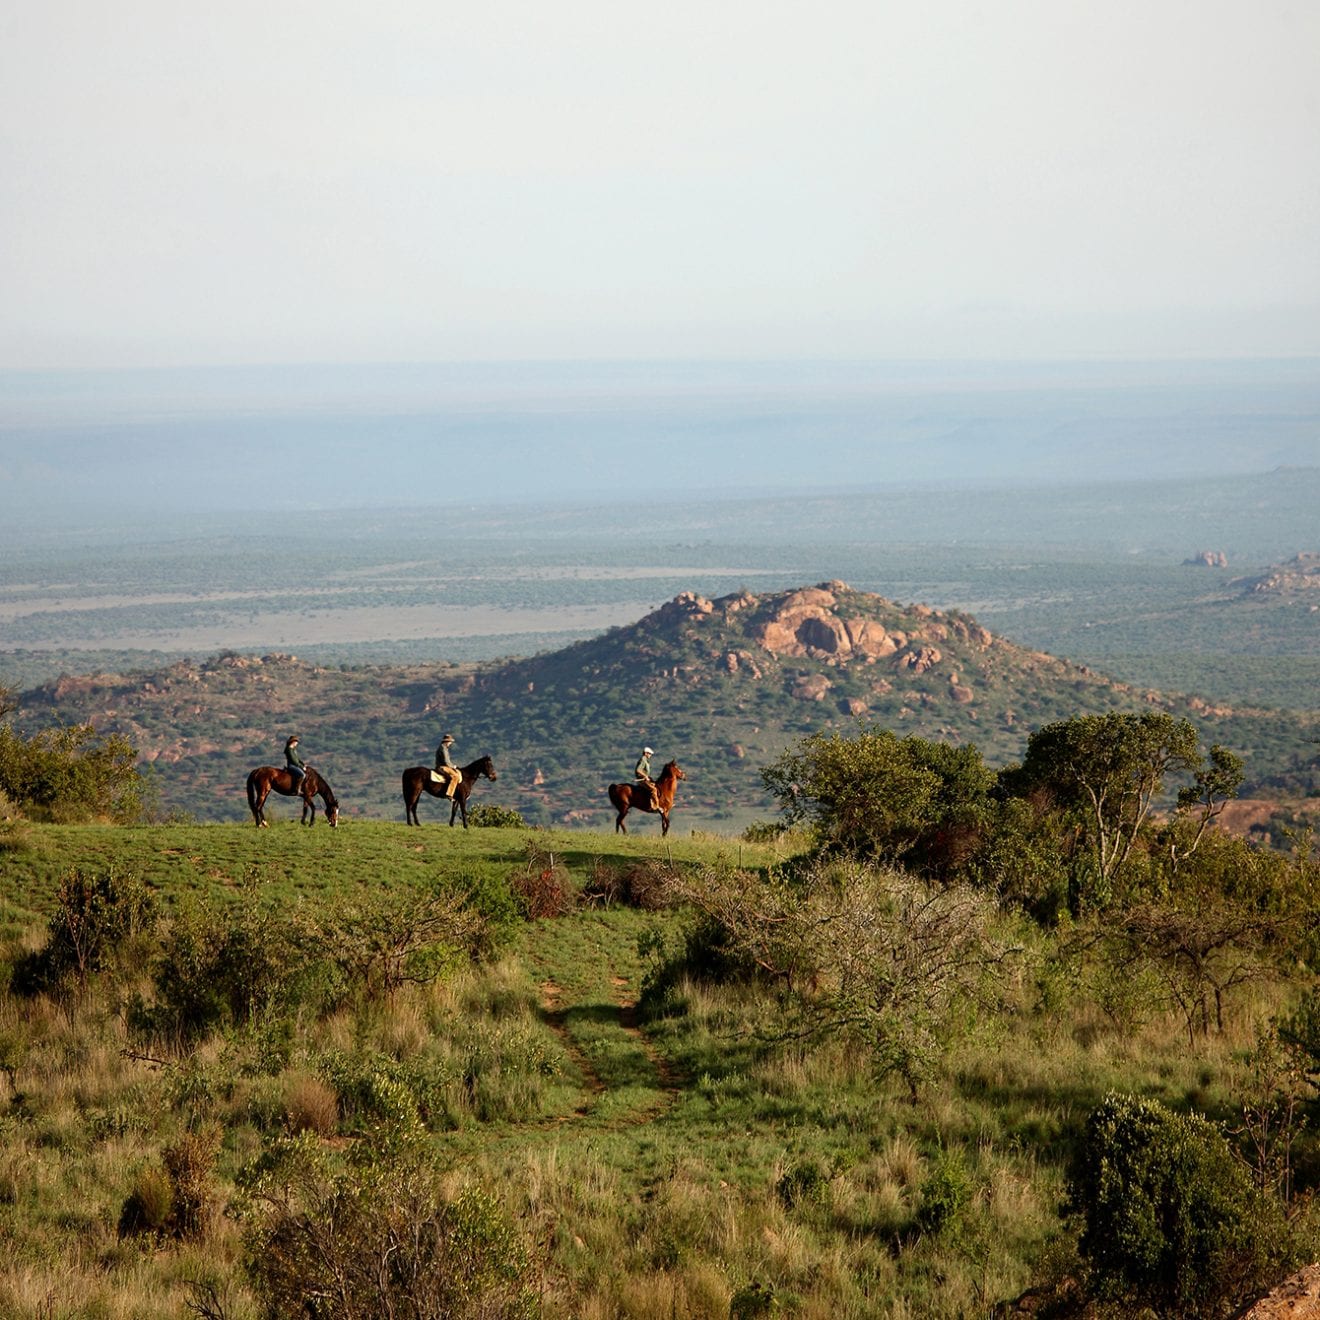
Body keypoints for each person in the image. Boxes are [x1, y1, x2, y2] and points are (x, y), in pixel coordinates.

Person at [434, 733, 461, 799]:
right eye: (450, 742)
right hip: (442, 767)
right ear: (447, 742)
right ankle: (449, 793)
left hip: (443, 766)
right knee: (456, 776)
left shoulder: (443, 748)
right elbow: (446, 762)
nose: (450, 744)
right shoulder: (443, 749)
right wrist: (454, 766)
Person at [634, 745, 657, 810]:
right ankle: (655, 806)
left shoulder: (646, 760)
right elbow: (638, 770)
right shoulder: (643, 759)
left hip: (645, 779)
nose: (650, 755)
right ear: (646, 753)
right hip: (641, 780)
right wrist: (645, 776)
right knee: (653, 789)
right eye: (649, 754)